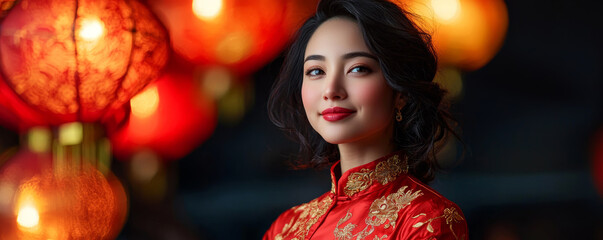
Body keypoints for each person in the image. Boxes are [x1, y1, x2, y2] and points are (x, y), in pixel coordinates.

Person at [264, 0, 468, 239]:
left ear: (400, 92)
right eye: (316, 71)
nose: (331, 90)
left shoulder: (426, 219)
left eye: (357, 68)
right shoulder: (285, 229)